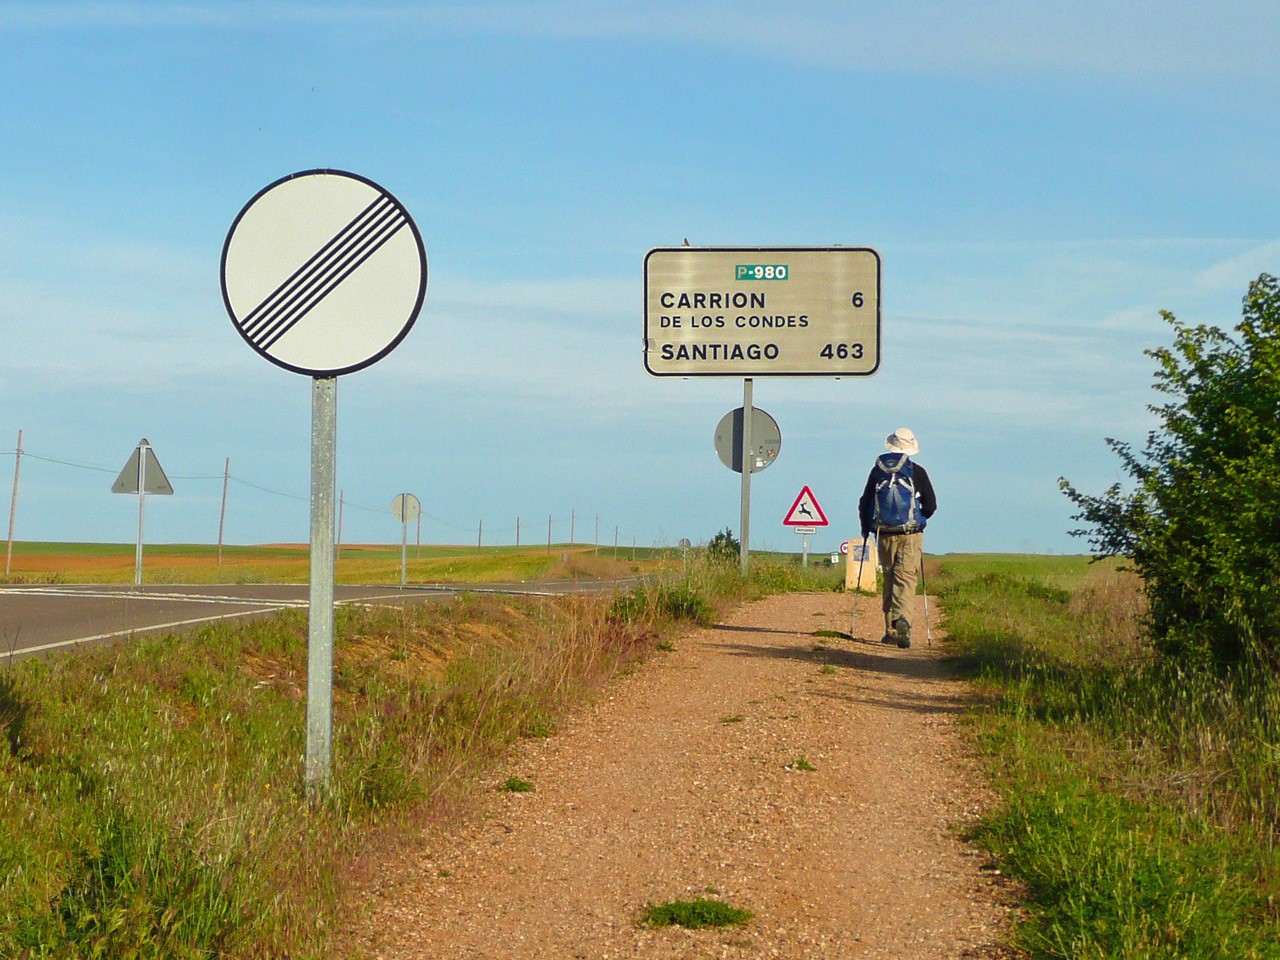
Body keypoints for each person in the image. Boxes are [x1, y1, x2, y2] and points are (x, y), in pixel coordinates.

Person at [857, 427, 937, 648]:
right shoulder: (917, 471)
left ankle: (889, 630)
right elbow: (931, 504)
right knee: (906, 578)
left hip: (883, 533)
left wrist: (866, 528)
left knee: (889, 577)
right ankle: (902, 620)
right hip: (911, 534)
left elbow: (864, 502)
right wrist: (921, 519)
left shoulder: (877, 471)